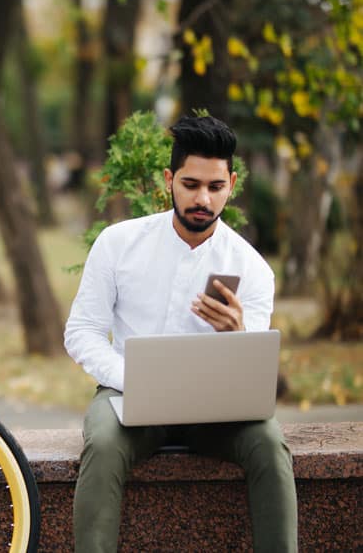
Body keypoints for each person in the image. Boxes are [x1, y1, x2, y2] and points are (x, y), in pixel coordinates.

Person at [64, 115, 297, 552]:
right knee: (102, 444)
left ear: (231, 183)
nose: (202, 199)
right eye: (190, 185)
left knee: (269, 442)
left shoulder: (251, 268)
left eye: (215, 187)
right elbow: (82, 332)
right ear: (169, 179)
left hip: (216, 410)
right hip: (127, 396)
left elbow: (252, 371)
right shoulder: (118, 243)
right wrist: (133, 378)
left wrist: (239, 334)